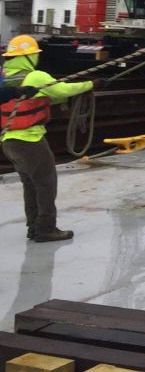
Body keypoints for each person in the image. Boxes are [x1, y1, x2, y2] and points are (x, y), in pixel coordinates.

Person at [1, 34, 98, 243]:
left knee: (30, 184)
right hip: (30, 141)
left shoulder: (4, 76)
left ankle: (33, 226)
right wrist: (91, 84)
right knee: (46, 184)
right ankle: (46, 229)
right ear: (29, 57)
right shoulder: (35, 76)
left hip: (9, 141)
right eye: (34, 55)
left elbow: (45, 97)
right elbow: (63, 89)